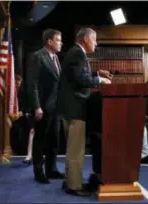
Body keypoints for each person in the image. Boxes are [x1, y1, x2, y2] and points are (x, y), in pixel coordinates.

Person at [56, 27, 112, 196]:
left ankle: (70, 180)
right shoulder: (77, 54)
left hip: (70, 108)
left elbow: (77, 74)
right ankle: (74, 186)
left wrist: (96, 72)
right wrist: (100, 80)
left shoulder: (75, 53)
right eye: (94, 39)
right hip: (76, 108)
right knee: (76, 150)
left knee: (72, 148)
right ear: (86, 38)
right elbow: (81, 78)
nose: (96, 43)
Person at [27, 29, 64, 184]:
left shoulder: (55, 57)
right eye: (58, 40)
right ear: (50, 41)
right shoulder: (38, 56)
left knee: (54, 140)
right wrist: (37, 107)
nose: (61, 43)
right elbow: (32, 84)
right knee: (40, 140)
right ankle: (38, 172)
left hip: (56, 107)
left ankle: (51, 169)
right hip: (43, 107)